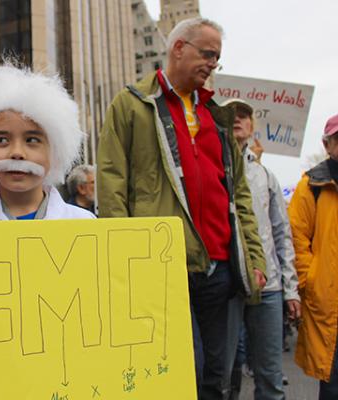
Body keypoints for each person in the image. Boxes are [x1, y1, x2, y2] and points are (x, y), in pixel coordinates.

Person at [96, 17, 266, 399]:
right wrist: (124, 257)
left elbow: (239, 195)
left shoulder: (217, 116)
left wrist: (254, 257)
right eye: (207, 53)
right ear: (178, 48)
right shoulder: (132, 105)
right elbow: (111, 183)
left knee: (219, 377)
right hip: (162, 265)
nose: (212, 64)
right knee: (181, 373)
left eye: (217, 58)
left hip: (219, 267)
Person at [224, 98, 300, 400]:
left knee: (269, 378)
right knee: (223, 377)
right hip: (226, 286)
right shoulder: (214, 168)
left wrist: (290, 289)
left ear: (253, 126)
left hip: (266, 286)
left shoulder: (265, 176)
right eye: (232, 115)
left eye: (244, 115)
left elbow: (282, 235)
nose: (238, 119)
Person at [0, 63, 94, 221]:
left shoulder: (84, 222)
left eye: (32, 140)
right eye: (2, 140)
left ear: (54, 150)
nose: (17, 153)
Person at [288, 113, 338, 400]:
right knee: (331, 382)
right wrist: (310, 280)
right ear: (327, 144)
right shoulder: (310, 186)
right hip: (328, 300)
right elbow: (296, 237)